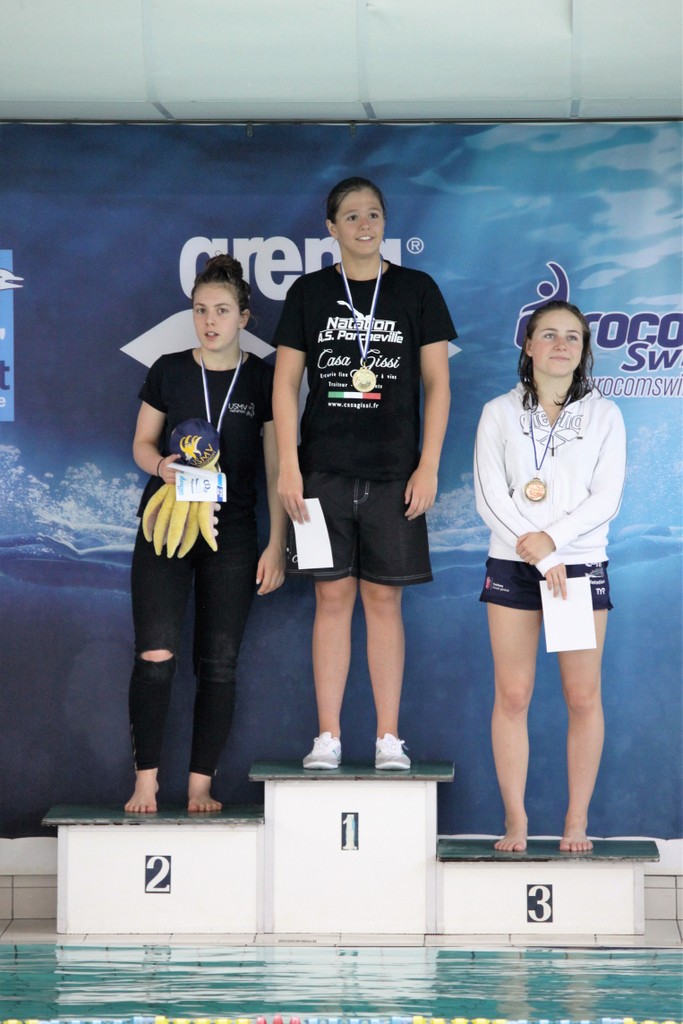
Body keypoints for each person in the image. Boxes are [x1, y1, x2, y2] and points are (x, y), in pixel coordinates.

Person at [272, 176, 456, 770]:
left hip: (394, 475)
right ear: (331, 228)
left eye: (374, 213)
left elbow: (438, 385)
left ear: (385, 223)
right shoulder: (308, 292)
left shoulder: (417, 289)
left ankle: (388, 738)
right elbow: (284, 384)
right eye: (351, 216)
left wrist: (428, 465)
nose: (364, 224)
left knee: (383, 601)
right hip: (321, 474)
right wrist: (290, 468)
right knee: (330, 599)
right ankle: (327, 737)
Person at [125, 253, 286, 813]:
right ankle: (145, 781)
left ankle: (200, 785)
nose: (209, 321)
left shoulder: (262, 378)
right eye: (200, 310)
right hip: (166, 524)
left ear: (244, 317)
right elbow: (142, 443)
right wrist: (160, 466)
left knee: (218, 663)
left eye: (221, 310)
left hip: (233, 531)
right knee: (156, 654)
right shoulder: (169, 369)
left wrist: (276, 544)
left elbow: (276, 469)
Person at [474, 299, 626, 852]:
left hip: (577, 567)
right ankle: (515, 820)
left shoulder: (604, 416)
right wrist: (540, 556)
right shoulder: (499, 412)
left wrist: (555, 543)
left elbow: (607, 498)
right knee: (513, 694)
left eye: (572, 337)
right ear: (529, 345)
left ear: (583, 351)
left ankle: (576, 821)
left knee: (582, 696)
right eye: (549, 335)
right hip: (515, 565)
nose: (561, 345)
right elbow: (490, 497)